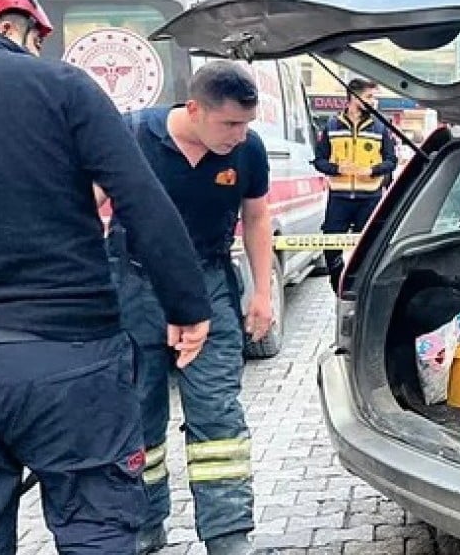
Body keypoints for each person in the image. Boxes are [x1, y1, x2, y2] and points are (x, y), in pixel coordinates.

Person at [0, 0, 212, 553]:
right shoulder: (64, 87)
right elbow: (142, 201)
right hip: (70, 357)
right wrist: (188, 304)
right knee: (97, 528)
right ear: (13, 28)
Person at [98, 62, 276, 555]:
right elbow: (88, 205)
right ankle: (145, 523)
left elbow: (257, 217)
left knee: (218, 417)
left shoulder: (247, 150)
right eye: (229, 124)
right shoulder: (131, 136)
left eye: (246, 124)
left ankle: (228, 536)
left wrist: (261, 293)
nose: (239, 136)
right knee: (138, 415)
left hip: (211, 285)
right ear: (193, 109)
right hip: (134, 287)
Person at [312, 77, 398, 293]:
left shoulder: (380, 127)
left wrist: (371, 170)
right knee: (331, 247)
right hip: (339, 198)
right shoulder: (332, 126)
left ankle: (362, 290)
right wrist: (338, 168)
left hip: (369, 198)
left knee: (370, 249)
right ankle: (338, 289)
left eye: (374, 98)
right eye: (369, 97)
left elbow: (391, 161)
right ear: (353, 96)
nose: (373, 103)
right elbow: (319, 161)